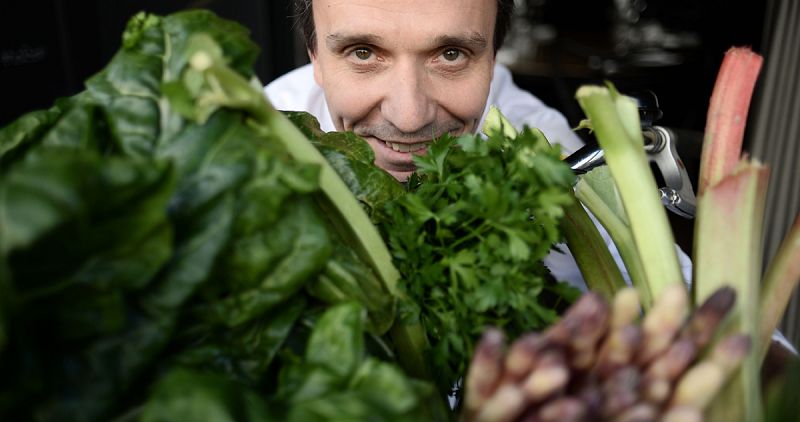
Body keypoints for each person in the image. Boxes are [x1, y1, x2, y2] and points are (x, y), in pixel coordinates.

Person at [264, 0, 690, 292]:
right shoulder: (255, 148)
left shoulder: (535, 143)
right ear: (315, 56)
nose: (409, 118)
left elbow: (680, 305)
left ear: (493, 58)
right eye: (362, 53)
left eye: (451, 54)